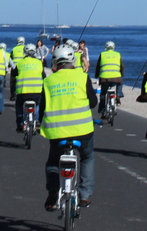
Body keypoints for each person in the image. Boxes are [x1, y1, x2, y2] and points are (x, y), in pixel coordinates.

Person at [40, 44, 98, 211]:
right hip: (83, 130)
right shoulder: (82, 78)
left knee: (53, 163)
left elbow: (42, 108)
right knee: (87, 157)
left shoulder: (48, 81)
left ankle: (53, 193)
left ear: (55, 62)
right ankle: (85, 195)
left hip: (57, 131)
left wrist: (39, 124)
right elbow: (93, 103)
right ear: (73, 60)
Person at [13, 43, 45, 132]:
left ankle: (20, 124)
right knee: (38, 104)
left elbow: (14, 74)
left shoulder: (20, 63)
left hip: (23, 91)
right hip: (37, 91)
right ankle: (37, 120)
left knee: (19, 105)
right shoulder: (39, 63)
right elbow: (44, 76)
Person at [95, 41, 124, 118]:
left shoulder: (102, 54)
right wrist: (121, 75)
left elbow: (98, 66)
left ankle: (102, 112)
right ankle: (118, 95)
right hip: (116, 78)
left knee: (103, 94)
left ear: (106, 47)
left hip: (104, 79)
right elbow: (122, 66)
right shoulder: (118, 54)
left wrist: (97, 75)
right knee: (120, 83)